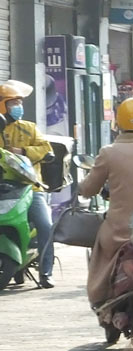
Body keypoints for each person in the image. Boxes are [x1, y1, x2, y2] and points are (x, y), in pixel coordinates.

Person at [79, 98, 133, 308]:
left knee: (101, 252)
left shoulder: (109, 152)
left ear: (118, 122)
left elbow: (89, 189)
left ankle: (101, 299)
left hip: (120, 230)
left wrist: (81, 186)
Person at [1, 80, 56, 288]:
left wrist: (23, 152)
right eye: (13, 102)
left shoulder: (29, 128)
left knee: (45, 226)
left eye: (20, 103)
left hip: (30, 188)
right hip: (3, 188)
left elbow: (45, 148)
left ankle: (46, 272)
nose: (18, 107)